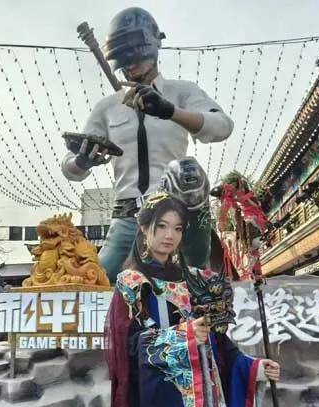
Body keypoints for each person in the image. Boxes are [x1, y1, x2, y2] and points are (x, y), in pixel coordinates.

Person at [105, 191, 280, 407]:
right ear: (144, 229)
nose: (169, 235)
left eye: (177, 228)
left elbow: (217, 343)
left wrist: (252, 367)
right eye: (161, 226)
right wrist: (183, 338)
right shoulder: (131, 284)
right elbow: (127, 348)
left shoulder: (192, 282)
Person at [61, 7, 233, 283]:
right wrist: (81, 160)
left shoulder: (181, 92)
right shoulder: (107, 107)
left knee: (187, 170)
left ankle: (197, 273)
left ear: (153, 48)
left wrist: (171, 111)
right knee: (96, 284)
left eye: (138, 56)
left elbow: (222, 126)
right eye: (124, 60)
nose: (132, 65)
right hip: (127, 216)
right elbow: (70, 167)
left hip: (176, 212)